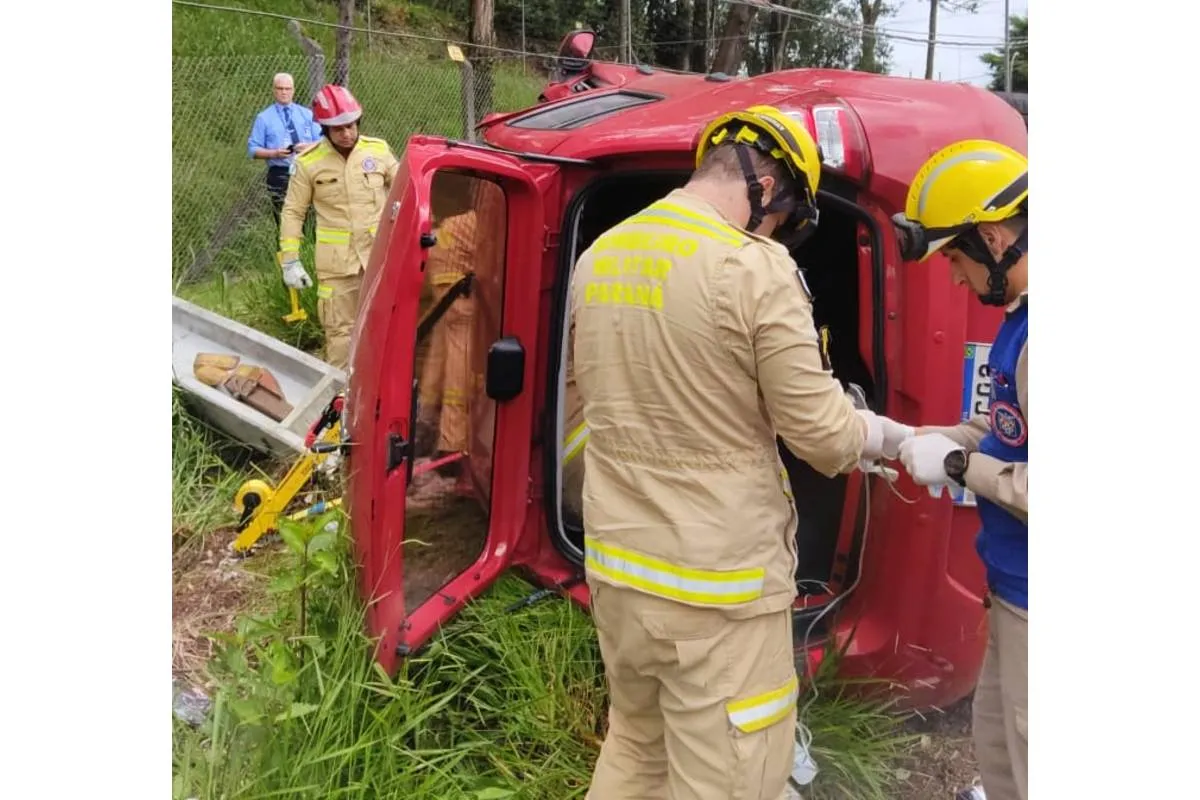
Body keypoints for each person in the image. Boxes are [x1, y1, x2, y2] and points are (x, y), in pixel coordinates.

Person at [570, 104, 912, 799]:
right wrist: (882, 434)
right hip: (715, 592)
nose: (781, 230)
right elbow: (820, 435)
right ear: (772, 186)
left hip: (617, 568)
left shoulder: (599, 255)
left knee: (635, 746)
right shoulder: (754, 267)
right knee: (732, 777)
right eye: (787, 217)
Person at [889, 139, 1029, 800]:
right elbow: (1007, 429)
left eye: (954, 257)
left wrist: (953, 464)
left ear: (995, 237)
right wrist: (923, 437)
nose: (952, 277)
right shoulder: (1018, 321)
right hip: (1009, 586)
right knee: (1000, 752)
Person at [278, 84, 399, 370]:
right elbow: (293, 212)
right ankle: (342, 402)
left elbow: (406, 190)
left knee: (389, 327)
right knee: (340, 334)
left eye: (350, 126)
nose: (346, 134)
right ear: (324, 129)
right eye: (337, 129)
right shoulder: (309, 163)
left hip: (380, 257)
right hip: (337, 267)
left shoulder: (378, 151)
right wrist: (290, 261)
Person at [247, 73, 322, 227]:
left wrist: (307, 147)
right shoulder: (264, 118)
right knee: (284, 219)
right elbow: (253, 149)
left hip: (307, 169)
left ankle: (309, 247)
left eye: (287, 89)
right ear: (274, 90)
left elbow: (323, 140)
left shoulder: (306, 114)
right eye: (280, 88)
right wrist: (274, 153)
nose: (284, 92)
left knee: (310, 218)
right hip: (280, 172)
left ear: (293, 90)